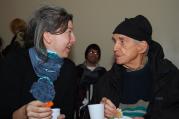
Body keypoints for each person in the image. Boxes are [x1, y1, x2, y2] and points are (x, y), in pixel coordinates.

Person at [92, 15, 179, 119]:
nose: (115, 48)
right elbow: (87, 114)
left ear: (141, 47)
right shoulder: (106, 81)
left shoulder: (168, 76)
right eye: (115, 41)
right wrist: (99, 113)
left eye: (122, 41)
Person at [0, 5, 77, 119]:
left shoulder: (69, 69)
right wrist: (24, 113)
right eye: (69, 32)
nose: (74, 39)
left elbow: (68, 112)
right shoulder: (15, 62)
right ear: (47, 37)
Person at [75, 44, 106, 119]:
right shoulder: (78, 70)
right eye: (91, 52)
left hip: (98, 108)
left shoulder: (103, 72)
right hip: (81, 107)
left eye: (96, 53)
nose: (94, 55)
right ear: (86, 54)